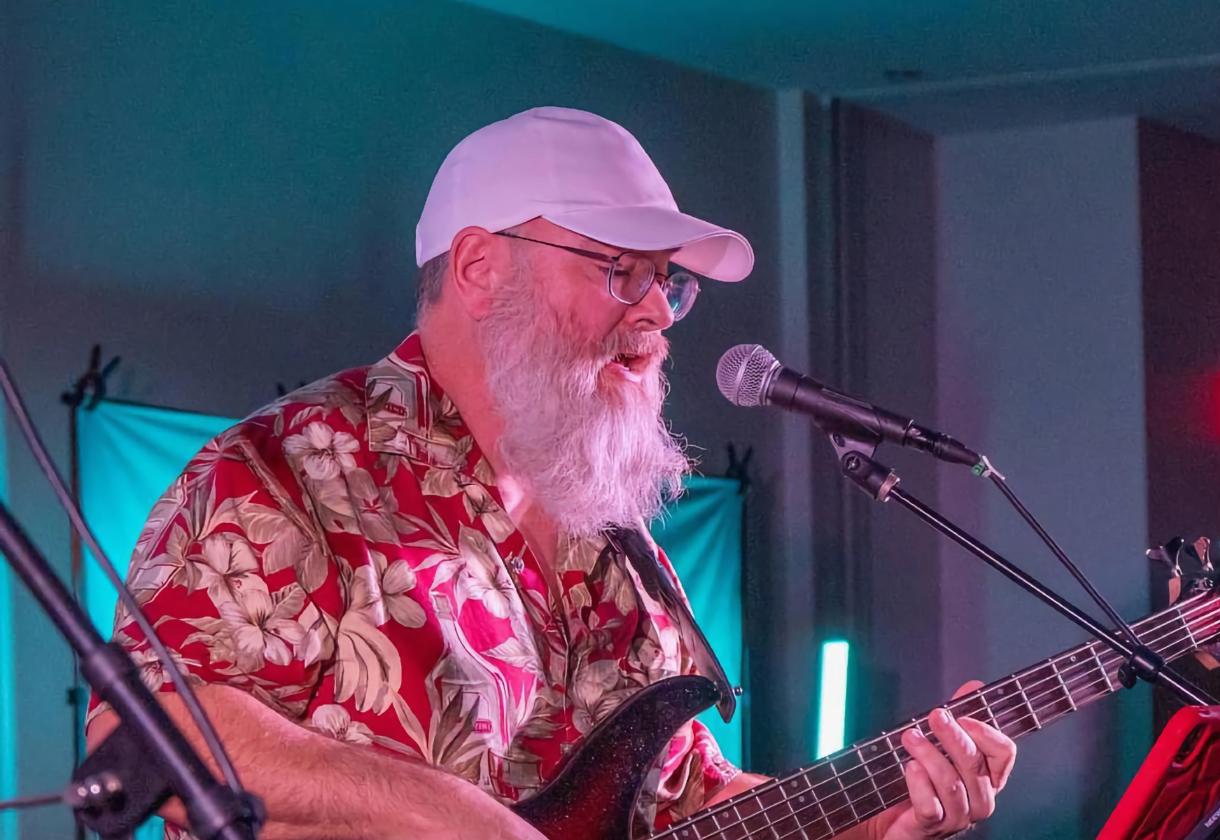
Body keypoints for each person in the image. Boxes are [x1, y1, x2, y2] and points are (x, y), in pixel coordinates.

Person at [87, 106, 1015, 840]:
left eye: (668, 281)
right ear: (482, 267)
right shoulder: (288, 471)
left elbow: (682, 801)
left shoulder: (611, 526)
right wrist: (455, 819)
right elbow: (143, 736)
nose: (659, 311)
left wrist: (872, 817)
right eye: (621, 270)